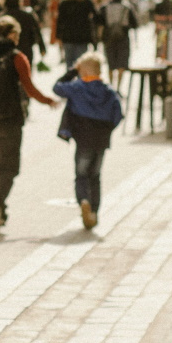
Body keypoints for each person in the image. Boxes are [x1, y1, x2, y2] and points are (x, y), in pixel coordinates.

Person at [0, 15, 57, 231]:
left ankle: (0, 209)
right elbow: (29, 88)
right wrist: (48, 100)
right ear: (12, 35)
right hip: (9, 120)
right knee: (10, 167)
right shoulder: (17, 57)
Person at [54, 52, 123, 229]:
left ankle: (83, 200)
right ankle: (94, 210)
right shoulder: (108, 92)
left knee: (81, 174)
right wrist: (106, 130)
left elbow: (57, 87)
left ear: (82, 72)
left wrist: (71, 72)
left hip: (83, 139)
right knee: (95, 176)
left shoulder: (77, 88)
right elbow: (118, 115)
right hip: (100, 141)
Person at [98, 0, 139, 93]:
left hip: (109, 37)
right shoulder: (127, 7)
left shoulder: (104, 7)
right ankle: (119, 87)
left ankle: (111, 85)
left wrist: (100, 38)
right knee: (122, 62)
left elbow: (100, 23)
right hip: (123, 37)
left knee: (111, 62)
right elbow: (135, 24)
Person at [56, 0, 97, 70]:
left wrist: (58, 35)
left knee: (69, 63)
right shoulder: (87, 2)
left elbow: (60, 20)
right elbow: (96, 16)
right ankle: (80, 83)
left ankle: (70, 83)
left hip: (68, 36)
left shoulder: (64, 3)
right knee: (81, 63)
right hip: (82, 37)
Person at [3, 0, 47, 68]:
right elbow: (37, 31)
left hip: (6, 52)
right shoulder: (28, 15)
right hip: (25, 50)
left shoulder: (2, 17)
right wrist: (42, 47)